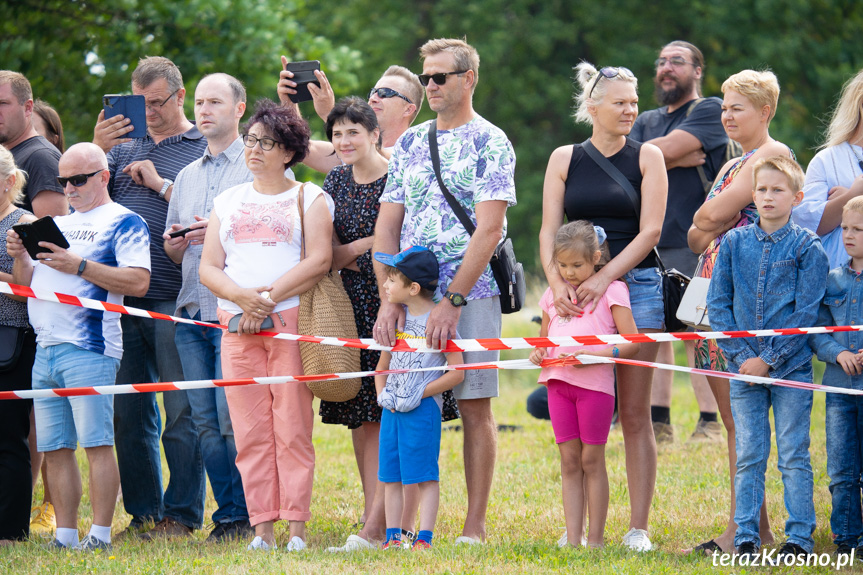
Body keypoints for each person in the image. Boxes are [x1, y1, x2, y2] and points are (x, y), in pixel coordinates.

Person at [373, 38, 517, 544]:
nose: (430, 86)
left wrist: (452, 302)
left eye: (440, 77)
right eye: (426, 77)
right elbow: (387, 228)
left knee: (475, 404)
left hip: (471, 293)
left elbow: (488, 230)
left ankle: (473, 526)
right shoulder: (411, 142)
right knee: (403, 399)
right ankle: (399, 526)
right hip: (408, 297)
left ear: (468, 78)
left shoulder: (492, 141)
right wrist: (389, 298)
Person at [539, 61, 667, 552]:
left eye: (634, 102)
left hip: (634, 285)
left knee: (635, 412)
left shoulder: (648, 156)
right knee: (574, 392)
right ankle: (580, 530)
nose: (631, 110)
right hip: (573, 289)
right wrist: (559, 285)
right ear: (592, 107)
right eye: (620, 102)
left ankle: (638, 527)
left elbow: (651, 230)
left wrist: (604, 278)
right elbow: (549, 229)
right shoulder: (563, 157)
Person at [200, 99, 332, 552]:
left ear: (289, 151)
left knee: (292, 427)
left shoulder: (310, 197)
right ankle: (262, 529)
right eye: (251, 140)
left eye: (266, 143)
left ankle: (295, 527)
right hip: (236, 323)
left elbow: (319, 259)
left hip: (289, 319)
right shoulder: (228, 200)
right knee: (250, 431)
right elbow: (209, 268)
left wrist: (267, 299)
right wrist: (242, 300)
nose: (254, 150)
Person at [6, 142, 151, 550]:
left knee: (97, 443)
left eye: (78, 179)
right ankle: (66, 534)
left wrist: (80, 265)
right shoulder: (57, 224)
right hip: (45, 345)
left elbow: (139, 282)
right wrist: (20, 256)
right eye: (63, 180)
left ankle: (100, 534)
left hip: (91, 345)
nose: (69, 188)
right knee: (54, 448)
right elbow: (24, 287)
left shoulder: (125, 221)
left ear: (104, 177)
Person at [93, 56, 208, 539]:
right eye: (140, 104)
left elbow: (207, 214)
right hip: (120, 296)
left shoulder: (202, 147)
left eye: (157, 103)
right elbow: (89, 201)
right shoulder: (119, 147)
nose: (149, 113)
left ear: (180, 97)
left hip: (174, 295)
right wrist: (97, 148)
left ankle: (180, 516)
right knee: (129, 411)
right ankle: (143, 514)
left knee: (180, 411)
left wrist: (160, 188)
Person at [686, 69, 793, 556]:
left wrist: (710, 221)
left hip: (748, 303)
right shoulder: (735, 164)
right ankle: (756, 527)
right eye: (724, 107)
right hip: (714, 298)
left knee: (744, 422)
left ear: (765, 112)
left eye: (737, 108)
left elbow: (706, 220)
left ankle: (742, 531)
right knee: (733, 423)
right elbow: (696, 232)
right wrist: (710, 221)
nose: (726, 115)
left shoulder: (772, 157)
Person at [707, 156, 828, 561]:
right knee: (749, 455)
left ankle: (799, 539)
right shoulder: (733, 244)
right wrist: (744, 358)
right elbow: (719, 306)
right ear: (752, 195)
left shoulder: (808, 248)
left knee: (794, 453)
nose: (768, 197)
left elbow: (806, 314)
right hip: (743, 371)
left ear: (797, 197)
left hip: (790, 368)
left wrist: (769, 359)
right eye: (761, 190)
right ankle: (746, 536)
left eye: (778, 190)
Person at [162, 73, 252, 542]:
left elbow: (270, 240)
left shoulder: (257, 168)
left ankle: (245, 515)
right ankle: (230, 516)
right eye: (198, 102)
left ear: (239, 109)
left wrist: (215, 234)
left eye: (214, 101)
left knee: (230, 417)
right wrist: (177, 242)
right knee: (203, 423)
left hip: (233, 313)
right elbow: (176, 250)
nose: (204, 110)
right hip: (190, 311)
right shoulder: (186, 176)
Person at [630, 41, 726, 444]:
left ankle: (710, 423)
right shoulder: (647, 118)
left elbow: (640, 155)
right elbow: (623, 158)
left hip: (697, 239)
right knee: (655, 327)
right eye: (662, 61)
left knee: (698, 327)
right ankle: (659, 421)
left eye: (677, 61)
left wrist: (655, 157)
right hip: (648, 238)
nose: (667, 68)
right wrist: (667, 157)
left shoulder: (707, 110)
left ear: (697, 71)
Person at [530, 221, 640, 548]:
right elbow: (544, 338)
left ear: (595, 258)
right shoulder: (553, 294)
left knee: (592, 460)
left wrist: (592, 354)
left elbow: (632, 342)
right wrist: (539, 351)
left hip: (595, 388)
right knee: (568, 460)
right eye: (562, 265)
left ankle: (596, 539)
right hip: (556, 385)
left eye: (577, 265)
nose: (569, 273)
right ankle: (573, 537)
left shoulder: (614, 291)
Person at [372, 246, 464, 550]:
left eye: (391, 281)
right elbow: (381, 367)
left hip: (423, 411)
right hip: (392, 410)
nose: (385, 286)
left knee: (424, 475)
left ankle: (424, 537)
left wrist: (419, 393)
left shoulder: (439, 324)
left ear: (412, 288)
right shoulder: (396, 324)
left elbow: (458, 372)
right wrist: (383, 395)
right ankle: (393, 537)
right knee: (391, 475)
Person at [809, 194, 863, 560]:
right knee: (842, 468)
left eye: (858, 229)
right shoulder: (832, 280)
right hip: (840, 389)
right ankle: (847, 538)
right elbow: (815, 329)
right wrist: (837, 352)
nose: (848, 235)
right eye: (845, 228)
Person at [27, 97, 65, 538]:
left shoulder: (41, 158)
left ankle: (51, 506)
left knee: (45, 422)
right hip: (34, 316)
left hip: (52, 317)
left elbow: (48, 254)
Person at [278, 62, 424, 172]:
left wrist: (330, 114)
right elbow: (300, 146)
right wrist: (289, 102)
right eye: (373, 92)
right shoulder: (351, 150)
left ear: (408, 109)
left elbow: (385, 162)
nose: (373, 98)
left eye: (385, 93)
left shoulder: (419, 149)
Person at [0, 145, 37, 545]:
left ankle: (10, 531)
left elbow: (32, 290)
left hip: (12, 341)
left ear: (10, 181)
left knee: (9, 438)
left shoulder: (25, 223)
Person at [794, 69, 863, 268]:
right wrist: (850, 196)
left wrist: (853, 200)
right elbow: (806, 224)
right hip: (838, 288)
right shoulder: (827, 159)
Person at [0, 71, 67, 218]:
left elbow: (51, 238)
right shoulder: (6, 156)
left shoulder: (41, 157)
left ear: (28, 108)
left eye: (2, 103)